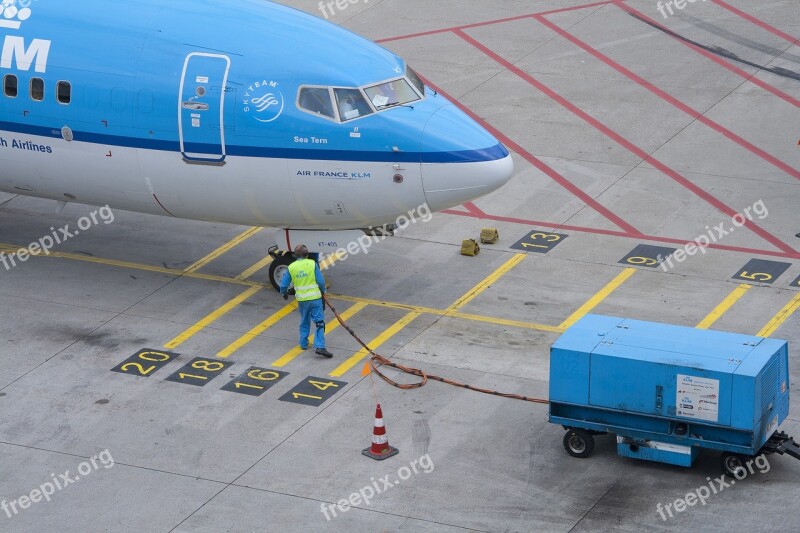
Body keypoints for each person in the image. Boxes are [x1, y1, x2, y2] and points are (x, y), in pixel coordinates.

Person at [280, 245, 333, 358]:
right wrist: (323, 291)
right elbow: (320, 281)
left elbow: (284, 284)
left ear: (295, 254)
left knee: (304, 321)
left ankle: (303, 343)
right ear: (307, 253)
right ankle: (320, 346)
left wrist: (283, 293)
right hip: (315, 299)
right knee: (319, 323)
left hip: (302, 300)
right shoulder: (312, 264)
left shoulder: (291, 267)